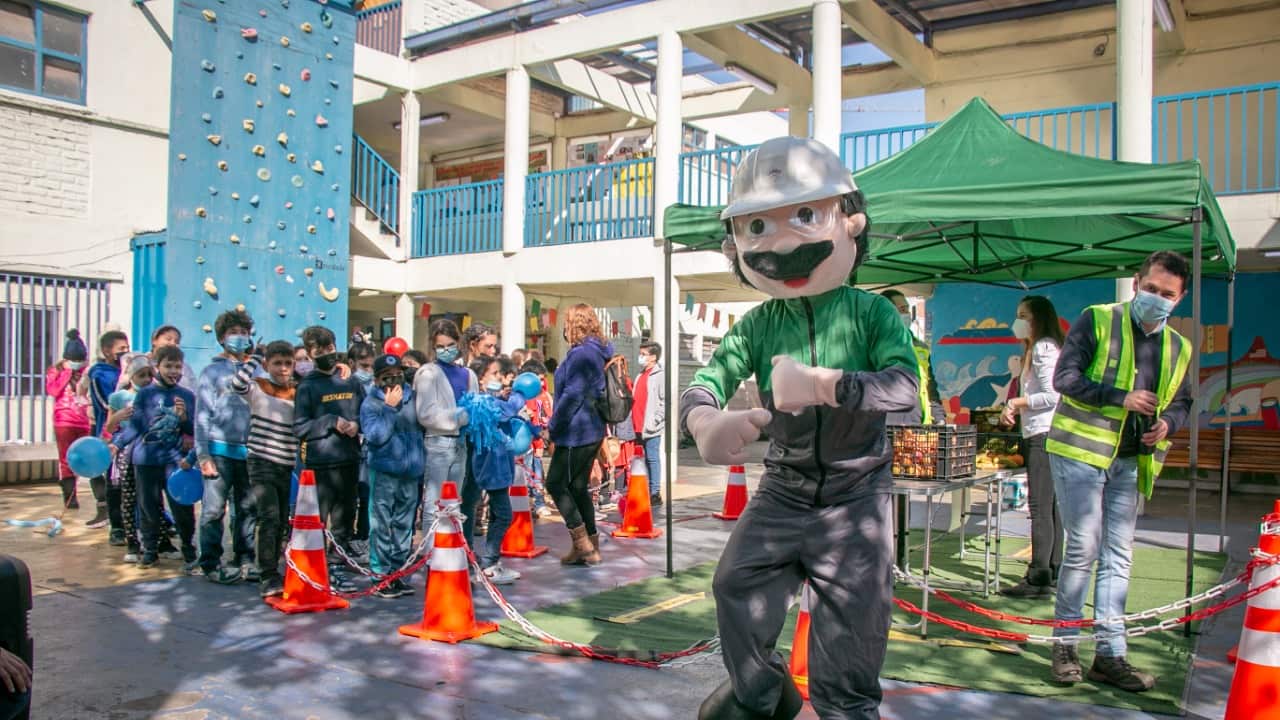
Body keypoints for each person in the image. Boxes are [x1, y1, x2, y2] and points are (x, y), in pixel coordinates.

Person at [681, 137, 920, 720]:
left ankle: (847, 712)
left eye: (806, 216)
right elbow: (709, 377)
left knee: (854, 629)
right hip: (782, 490)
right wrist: (701, 417)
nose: (782, 245)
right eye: (757, 226)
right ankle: (764, 697)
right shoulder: (758, 324)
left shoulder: (872, 313)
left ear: (850, 222)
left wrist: (827, 385)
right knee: (734, 584)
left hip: (857, 494)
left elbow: (905, 389)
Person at [1046, 251, 1194, 692]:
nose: (1157, 298)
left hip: (1131, 460)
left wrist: (1169, 424)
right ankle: (1065, 647)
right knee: (1082, 551)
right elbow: (1064, 379)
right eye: (1151, 289)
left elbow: (1184, 401)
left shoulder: (1179, 347)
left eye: (1167, 294)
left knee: (1119, 555)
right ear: (1136, 283)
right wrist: (1119, 397)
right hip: (1080, 454)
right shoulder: (1097, 319)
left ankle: (1110, 655)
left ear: (1179, 299)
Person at [1000, 296, 1065, 599]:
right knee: (1051, 507)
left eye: (1023, 315)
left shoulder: (1044, 348)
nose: (1019, 321)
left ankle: (1040, 575)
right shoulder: (1035, 348)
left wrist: (1016, 402)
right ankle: (1052, 570)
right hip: (1039, 432)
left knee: (1041, 506)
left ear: (1038, 318)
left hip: (1044, 433)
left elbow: (1053, 395)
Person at [110, 344, 198, 568]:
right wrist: (117, 443)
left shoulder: (187, 395)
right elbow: (136, 426)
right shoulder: (146, 393)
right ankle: (149, 549)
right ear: (157, 367)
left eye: (177, 366)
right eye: (168, 366)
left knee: (182, 507)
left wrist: (183, 417)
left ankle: (188, 548)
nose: (173, 371)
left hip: (175, 461)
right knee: (147, 507)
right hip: (146, 460)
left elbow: (193, 429)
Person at [293, 326, 365, 592]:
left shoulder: (351, 381)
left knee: (345, 517)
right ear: (310, 354)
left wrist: (356, 425)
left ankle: (337, 564)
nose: (326, 354)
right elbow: (299, 427)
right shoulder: (307, 386)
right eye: (319, 351)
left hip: (349, 458)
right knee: (318, 519)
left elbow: (365, 413)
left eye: (330, 348)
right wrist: (330, 421)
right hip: (320, 462)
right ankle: (312, 567)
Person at [229, 340, 297, 598]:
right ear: (268, 365)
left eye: (287, 363)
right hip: (260, 461)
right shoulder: (258, 387)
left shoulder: (297, 391)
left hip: (285, 463)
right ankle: (268, 574)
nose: (283, 369)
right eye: (277, 363)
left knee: (281, 519)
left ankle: (273, 566)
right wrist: (255, 358)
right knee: (268, 516)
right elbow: (237, 385)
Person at [194, 310, 258, 584]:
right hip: (219, 452)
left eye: (244, 332)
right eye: (234, 332)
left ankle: (244, 557)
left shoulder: (258, 370)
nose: (240, 337)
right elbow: (202, 415)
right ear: (222, 337)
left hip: (250, 452)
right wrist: (203, 454)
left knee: (247, 508)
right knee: (212, 509)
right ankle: (209, 562)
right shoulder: (211, 372)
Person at [547, 304, 613, 566]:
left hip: (577, 431)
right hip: (591, 429)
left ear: (574, 324)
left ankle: (583, 543)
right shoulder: (596, 351)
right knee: (577, 488)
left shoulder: (582, 354)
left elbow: (572, 396)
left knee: (555, 483)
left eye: (566, 322)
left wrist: (554, 426)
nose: (563, 327)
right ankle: (589, 547)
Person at [360, 353, 422, 599]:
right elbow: (375, 436)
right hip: (384, 471)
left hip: (411, 472)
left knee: (404, 524)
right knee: (381, 523)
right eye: (386, 377)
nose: (393, 380)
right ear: (376, 380)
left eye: (397, 374)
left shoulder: (413, 399)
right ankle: (380, 575)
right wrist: (389, 408)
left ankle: (398, 573)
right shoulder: (371, 404)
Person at [463, 355, 524, 584]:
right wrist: (518, 394)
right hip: (492, 467)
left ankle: (490, 560)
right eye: (495, 374)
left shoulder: (488, 399)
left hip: (499, 466)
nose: (500, 379)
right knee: (504, 515)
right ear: (481, 379)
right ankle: (489, 562)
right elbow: (508, 410)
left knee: (500, 514)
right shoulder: (482, 403)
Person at [880, 290, 945, 425]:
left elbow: (930, 387)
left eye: (907, 309)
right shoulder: (874, 346)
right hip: (887, 425)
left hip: (917, 424)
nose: (908, 314)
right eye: (902, 309)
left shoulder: (920, 347)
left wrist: (939, 416)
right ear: (887, 313)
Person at [47, 329, 92, 510]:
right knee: (66, 458)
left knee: (80, 459)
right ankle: (70, 496)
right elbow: (53, 391)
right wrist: (65, 373)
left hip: (84, 421)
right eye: (73, 360)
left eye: (79, 360)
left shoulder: (88, 371)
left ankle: (72, 487)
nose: (77, 364)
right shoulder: (55, 371)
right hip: (64, 421)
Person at [347, 341, 377, 555]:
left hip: (367, 446)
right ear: (351, 363)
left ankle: (363, 535)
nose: (368, 371)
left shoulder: (375, 388)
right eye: (363, 366)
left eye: (370, 366)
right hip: (348, 446)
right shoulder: (344, 385)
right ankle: (345, 537)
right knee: (347, 495)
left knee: (366, 494)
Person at [631, 341, 665, 508]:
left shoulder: (660, 375)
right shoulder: (640, 375)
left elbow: (666, 402)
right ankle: (643, 489)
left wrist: (655, 420)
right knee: (640, 461)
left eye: (643, 354)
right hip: (636, 426)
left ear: (653, 357)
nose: (641, 357)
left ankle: (655, 493)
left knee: (652, 459)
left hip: (650, 427)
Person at [521, 359, 554, 517]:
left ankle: (539, 502)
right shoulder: (521, 396)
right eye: (539, 379)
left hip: (537, 442)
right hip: (524, 444)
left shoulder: (542, 397)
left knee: (538, 474)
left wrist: (541, 444)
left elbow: (542, 420)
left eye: (543, 379)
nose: (542, 382)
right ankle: (526, 503)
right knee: (526, 475)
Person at [148, 324, 197, 391]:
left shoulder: (185, 367)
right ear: (154, 341)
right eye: (168, 339)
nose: (173, 343)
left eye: (177, 342)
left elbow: (194, 391)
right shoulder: (144, 362)